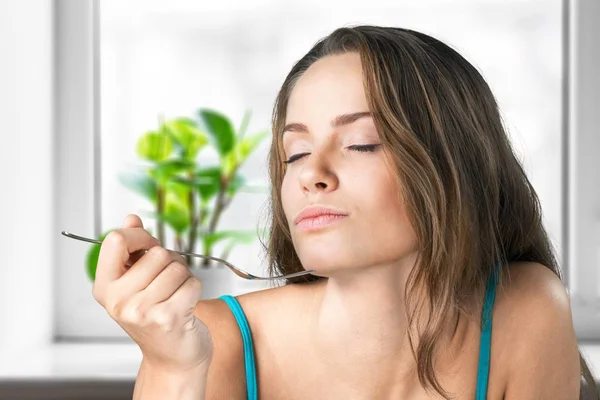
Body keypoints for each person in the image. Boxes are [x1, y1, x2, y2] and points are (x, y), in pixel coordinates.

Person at [92, 26, 599, 399]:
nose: (312, 173)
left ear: (455, 164)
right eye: (294, 153)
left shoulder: (526, 311)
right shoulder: (211, 340)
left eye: (362, 144)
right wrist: (173, 368)